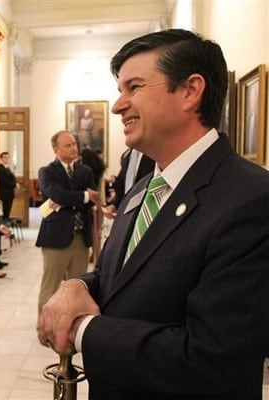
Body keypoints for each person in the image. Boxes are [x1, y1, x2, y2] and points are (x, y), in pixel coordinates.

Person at [38, 29, 269, 399]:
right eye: (119, 91)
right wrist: (77, 286)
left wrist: (83, 330)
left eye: (134, 87)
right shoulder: (144, 187)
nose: (117, 105)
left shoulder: (252, 198)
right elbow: (121, 274)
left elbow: (214, 359)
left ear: (191, 91)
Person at [35, 131, 99, 316]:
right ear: (56, 149)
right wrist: (84, 195)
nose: (73, 148)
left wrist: (73, 199)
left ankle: (71, 325)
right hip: (55, 237)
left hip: (81, 237)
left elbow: (93, 199)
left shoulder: (85, 171)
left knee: (77, 286)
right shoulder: (47, 172)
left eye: (74, 144)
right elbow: (57, 194)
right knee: (51, 285)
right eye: (68, 145)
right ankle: (45, 325)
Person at [104, 147, 154, 217]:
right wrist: (116, 205)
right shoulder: (127, 155)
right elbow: (122, 184)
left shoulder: (153, 155)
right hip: (127, 215)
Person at [0, 151, 19, 220]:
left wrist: (15, 182)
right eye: (4, 158)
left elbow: (12, 177)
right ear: (1, 159)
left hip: (10, 192)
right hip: (5, 193)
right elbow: (4, 181)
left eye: (7, 158)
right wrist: (14, 184)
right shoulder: (0, 168)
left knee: (8, 210)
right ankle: (5, 222)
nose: (6, 159)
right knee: (6, 210)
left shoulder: (7, 168)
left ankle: (7, 221)